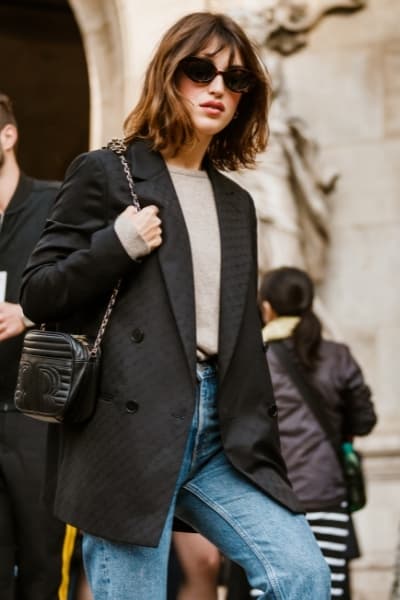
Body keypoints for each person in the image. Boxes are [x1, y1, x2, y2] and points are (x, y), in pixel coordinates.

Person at [20, 12, 331, 600]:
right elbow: (38, 292)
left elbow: (240, 337)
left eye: (235, 81)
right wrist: (117, 246)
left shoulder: (235, 203)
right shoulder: (107, 172)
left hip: (220, 432)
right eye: (200, 71)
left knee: (301, 575)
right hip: (127, 429)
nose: (218, 88)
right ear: (170, 76)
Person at [227, 266, 376, 600]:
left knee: (270, 588)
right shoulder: (338, 356)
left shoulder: (253, 360)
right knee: (327, 590)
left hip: (269, 497)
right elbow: (364, 420)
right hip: (326, 493)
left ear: (266, 307)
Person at [0, 92, 72, 599]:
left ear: (8, 135)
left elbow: (94, 287)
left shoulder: (55, 203)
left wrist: (28, 313)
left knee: (44, 569)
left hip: (38, 418)